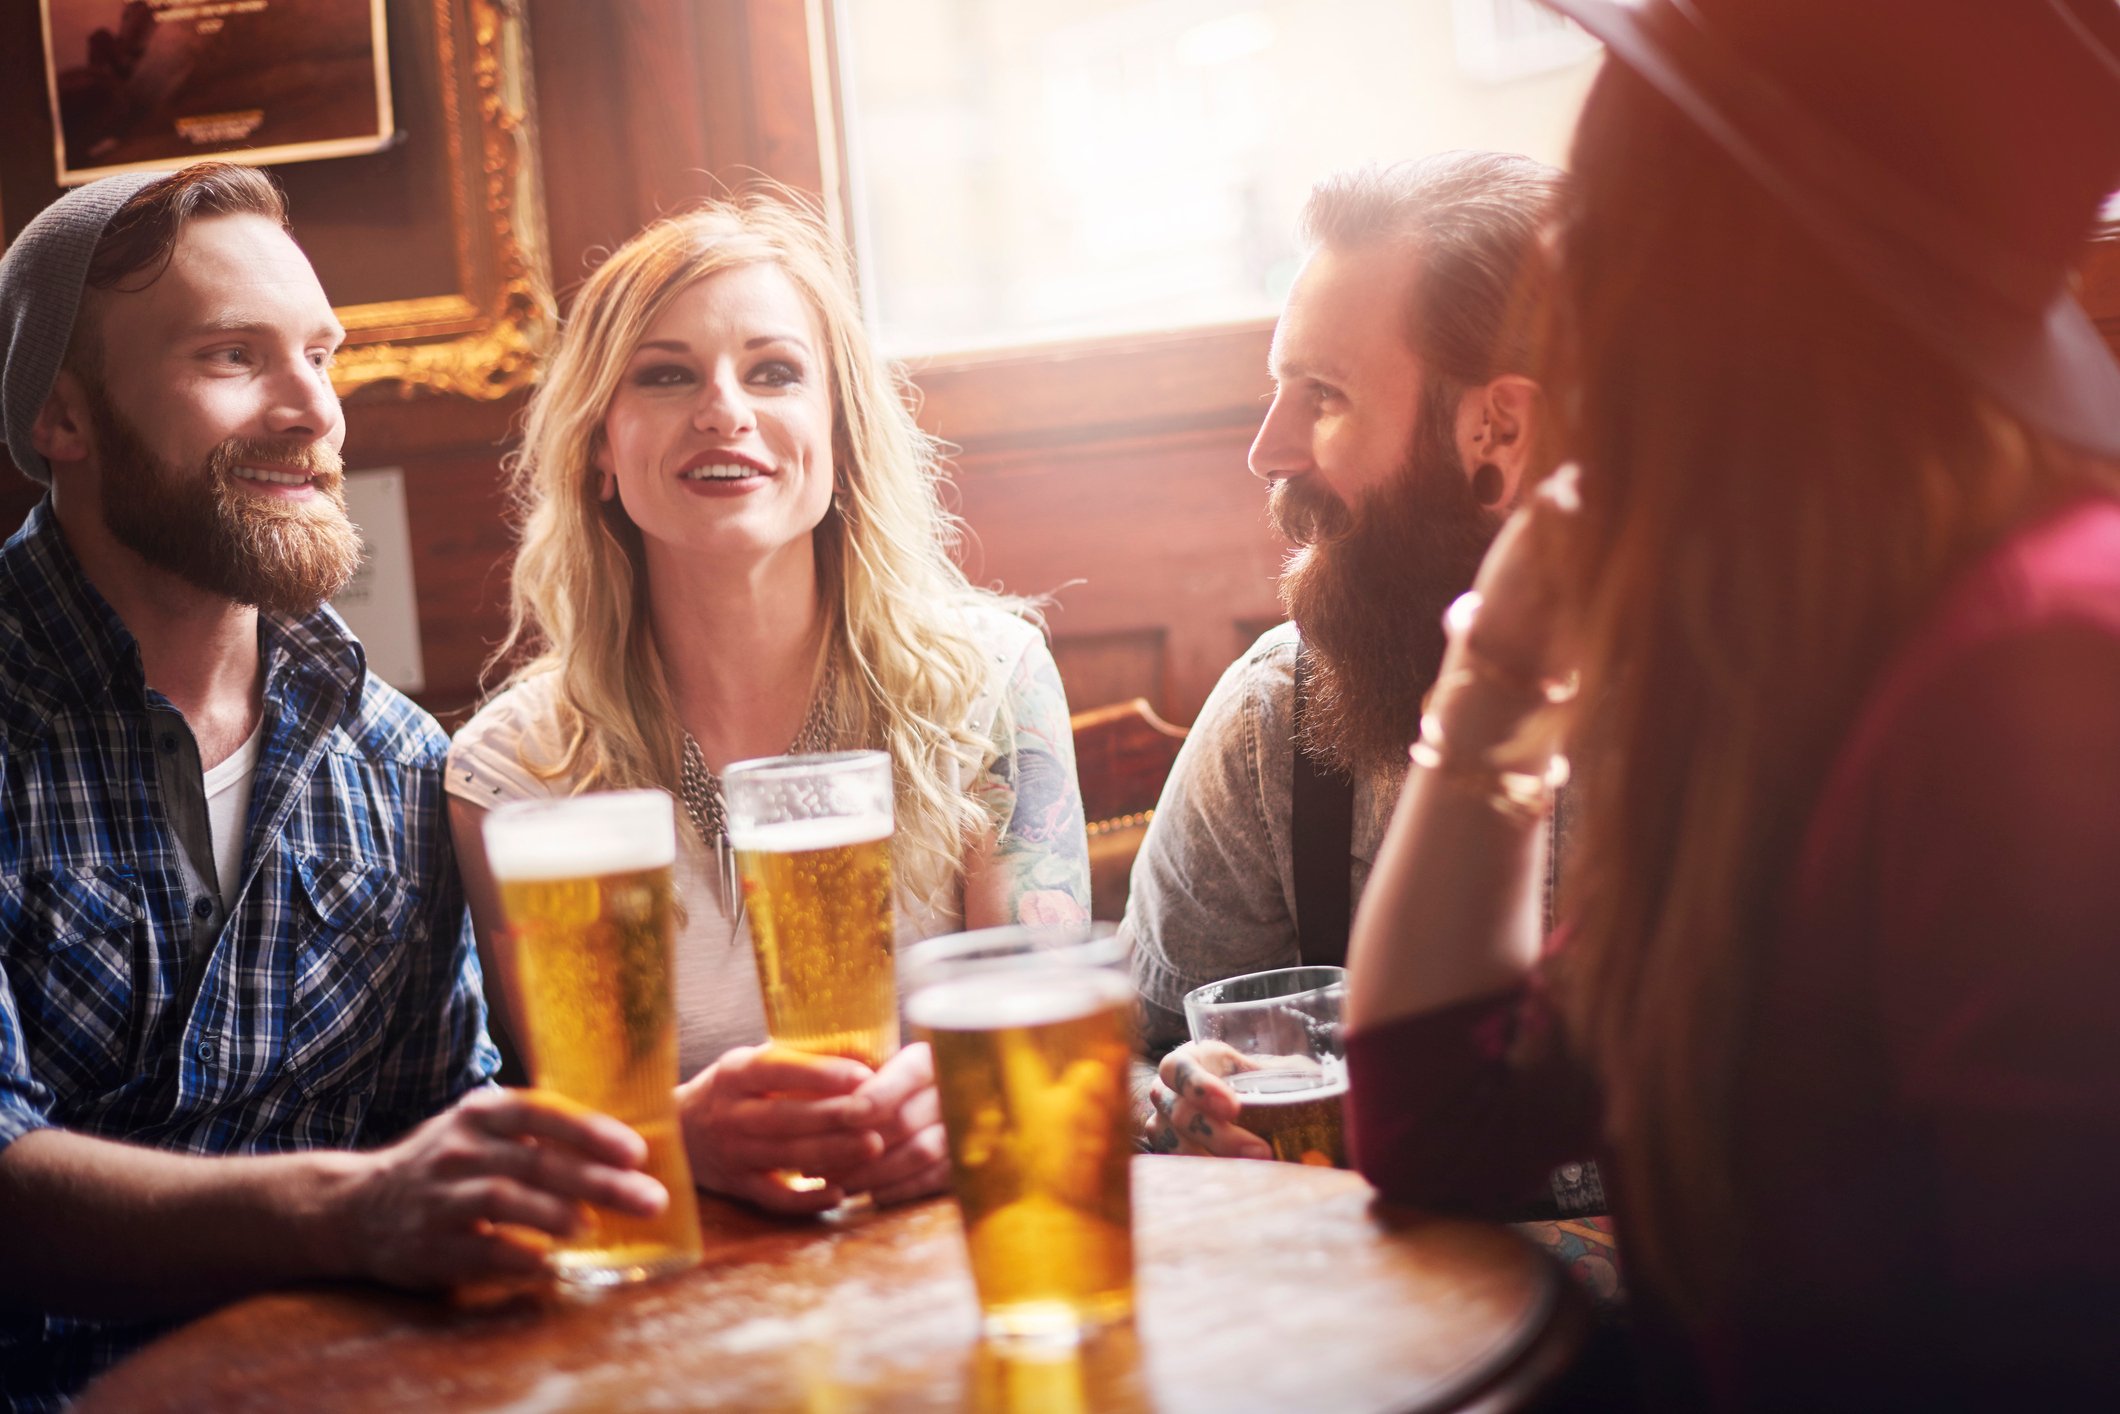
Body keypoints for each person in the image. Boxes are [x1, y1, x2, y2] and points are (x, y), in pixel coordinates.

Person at [1345, 1, 2120, 1407]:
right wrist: (1502, 682)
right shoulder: (1784, 653)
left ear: (1699, 298)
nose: (1555, 315)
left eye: (1584, 251)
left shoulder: (2048, 657)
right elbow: (1438, 1120)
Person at [0, 164, 665, 1411]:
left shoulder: (401, 759)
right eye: (233, 356)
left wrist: (659, 1144)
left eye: (323, 352)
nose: (314, 408)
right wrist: (353, 1210)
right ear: (64, 419)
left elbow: (440, 1130)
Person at [446, 193, 1091, 1217]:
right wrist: (676, 1135)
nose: (723, 410)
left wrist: (977, 1092)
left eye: (774, 371)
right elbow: (574, 1125)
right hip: (690, 1277)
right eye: (665, 375)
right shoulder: (509, 772)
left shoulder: (991, 680)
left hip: (952, 1240)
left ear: (838, 435)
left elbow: (1045, 1040)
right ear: (599, 451)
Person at [1124, 154, 1574, 1172]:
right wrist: (1178, 1105)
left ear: (1496, 428)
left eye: (1320, 395)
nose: (1268, 450)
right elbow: (1132, 1051)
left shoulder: (1756, 717)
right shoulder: (1276, 713)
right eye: (1276, 389)